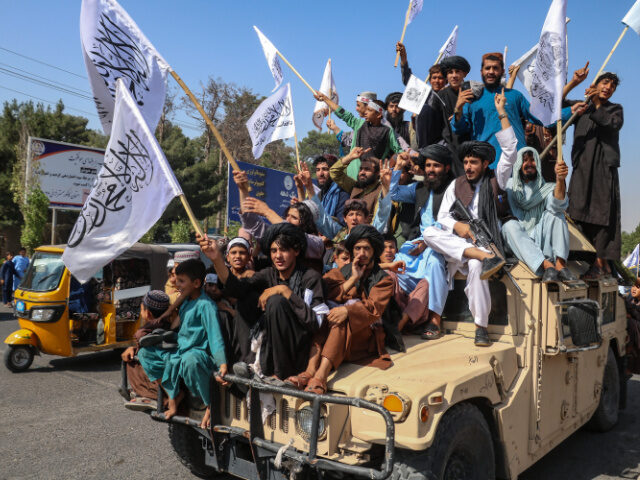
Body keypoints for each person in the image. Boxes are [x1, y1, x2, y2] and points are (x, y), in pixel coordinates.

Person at [423, 109, 518, 347]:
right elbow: (443, 216)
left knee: (477, 265)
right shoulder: (456, 185)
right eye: (465, 162)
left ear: (485, 163)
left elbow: (510, 151)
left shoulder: (497, 180)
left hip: (487, 244)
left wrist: (502, 114)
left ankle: (480, 327)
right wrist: (459, 227)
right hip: (460, 244)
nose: (468, 166)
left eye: (473, 162)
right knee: (428, 232)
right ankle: (477, 254)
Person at [200, 223, 327, 382]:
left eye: (284, 250)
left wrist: (284, 291)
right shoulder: (268, 274)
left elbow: (317, 323)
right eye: (274, 251)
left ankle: (278, 374)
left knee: (276, 302)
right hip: (268, 345)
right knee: (246, 299)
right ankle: (247, 364)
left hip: (297, 350)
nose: (278, 256)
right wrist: (216, 258)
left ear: (296, 251)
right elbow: (237, 289)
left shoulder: (310, 278)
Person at [285, 225, 395, 395]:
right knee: (323, 318)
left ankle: (320, 376)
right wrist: (353, 278)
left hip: (365, 337)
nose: (362, 253)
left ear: (374, 251)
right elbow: (323, 292)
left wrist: (348, 311)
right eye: (358, 248)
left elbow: (374, 308)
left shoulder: (384, 279)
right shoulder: (341, 271)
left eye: (367, 248)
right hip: (333, 332)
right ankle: (309, 371)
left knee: (341, 319)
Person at [491, 90, 575, 282]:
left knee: (556, 214)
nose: (529, 164)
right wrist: (502, 111)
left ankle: (560, 265)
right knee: (509, 226)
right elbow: (509, 147)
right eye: (525, 161)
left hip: (540, 233)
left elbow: (558, 204)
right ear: (519, 165)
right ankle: (546, 266)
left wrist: (561, 179)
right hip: (520, 238)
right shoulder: (509, 185)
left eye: (533, 161)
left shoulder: (545, 187)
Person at [137, 259, 227, 427]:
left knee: (190, 360)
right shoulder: (187, 300)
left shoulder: (206, 306)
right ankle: (173, 395)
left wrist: (222, 363)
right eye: (176, 280)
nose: (177, 285)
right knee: (145, 353)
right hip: (181, 351)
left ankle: (210, 405)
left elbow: (215, 337)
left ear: (197, 283)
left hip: (198, 355)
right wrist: (168, 313)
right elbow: (180, 299)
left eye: (181, 281)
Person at [451, 52, 571, 165]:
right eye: (488, 68)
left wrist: (570, 112)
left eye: (495, 68)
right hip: (487, 164)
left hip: (517, 163)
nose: (491, 72)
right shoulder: (472, 99)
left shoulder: (515, 95)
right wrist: (458, 108)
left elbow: (539, 117)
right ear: (481, 72)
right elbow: (459, 129)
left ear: (502, 71)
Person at [390, 145, 455, 338]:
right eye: (428, 166)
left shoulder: (455, 188)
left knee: (435, 265)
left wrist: (429, 242)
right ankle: (400, 313)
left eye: (436, 166)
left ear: (447, 168)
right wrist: (398, 168)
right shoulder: (420, 188)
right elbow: (393, 194)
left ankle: (435, 319)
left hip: (443, 242)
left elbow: (452, 222)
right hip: (419, 242)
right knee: (396, 266)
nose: (431, 170)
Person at [564, 72, 623, 278]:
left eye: (612, 85)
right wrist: (574, 82)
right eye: (605, 82)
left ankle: (601, 264)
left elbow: (611, 124)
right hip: (582, 169)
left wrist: (597, 101)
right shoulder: (581, 106)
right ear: (595, 84)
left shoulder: (615, 109)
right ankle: (593, 262)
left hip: (603, 170)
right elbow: (556, 104)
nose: (608, 87)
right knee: (577, 211)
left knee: (600, 214)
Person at [316, 91, 403, 180]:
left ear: (378, 114)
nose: (365, 112)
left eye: (369, 110)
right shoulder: (359, 124)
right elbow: (344, 114)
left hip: (372, 181)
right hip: (352, 177)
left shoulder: (387, 130)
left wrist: (392, 167)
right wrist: (325, 99)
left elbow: (399, 151)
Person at [121, 290, 172, 411]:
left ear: (147, 313)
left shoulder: (143, 333)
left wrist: (134, 349)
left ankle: (150, 395)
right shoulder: (169, 324)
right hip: (168, 367)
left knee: (132, 361)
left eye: (141, 309)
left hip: (160, 373)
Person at [308, 154, 350, 224]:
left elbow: (340, 226)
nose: (320, 174)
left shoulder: (342, 195)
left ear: (334, 172)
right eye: (318, 170)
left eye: (325, 169)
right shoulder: (319, 195)